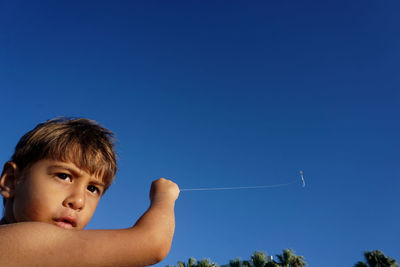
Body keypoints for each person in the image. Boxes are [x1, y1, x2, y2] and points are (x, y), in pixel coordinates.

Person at [0, 117, 180, 266]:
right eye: (63, 176)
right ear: (11, 181)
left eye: (92, 188)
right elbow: (152, 242)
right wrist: (164, 196)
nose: (79, 201)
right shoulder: (9, 242)